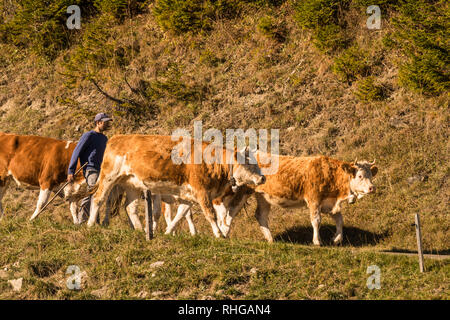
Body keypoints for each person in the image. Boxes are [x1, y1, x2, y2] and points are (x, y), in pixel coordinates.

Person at [67, 112, 112, 223]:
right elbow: (76, 152)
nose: (107, 125)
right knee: (91, 192)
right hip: (90, 168)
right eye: (105, 123)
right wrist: (71, 171)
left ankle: (94, 221)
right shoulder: (89, 135)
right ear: (98, 122)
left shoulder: (104, 138)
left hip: (101, 170)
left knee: (96, 194)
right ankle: (82, 220)